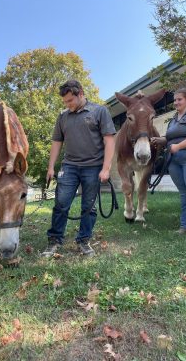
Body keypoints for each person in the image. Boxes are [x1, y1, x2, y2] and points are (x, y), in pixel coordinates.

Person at [41, 79, 116, 257]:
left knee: (89, 207)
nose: (68, 105)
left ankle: (84, 240)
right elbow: (57, 142)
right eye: (65, 102)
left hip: (93, 166)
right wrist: (51, 166)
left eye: (70, 101)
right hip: (69, 166)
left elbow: (109, 141)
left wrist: (106, 168)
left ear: (80, 94)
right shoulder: (63, 116)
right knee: (61, 203)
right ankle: (54, 240)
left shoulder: (99, 111)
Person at [151, 88, 186, 235]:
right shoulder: (174, 118)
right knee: (184, 193)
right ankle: (185, 226)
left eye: (179, 99)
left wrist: (179, 146)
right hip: (174, 159)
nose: (176, 102)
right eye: (174, 100)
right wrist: (160, 140)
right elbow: (170, 138)